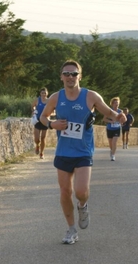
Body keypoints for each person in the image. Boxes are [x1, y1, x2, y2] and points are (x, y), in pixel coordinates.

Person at [39, 60, 126, 245]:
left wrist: (119, 116)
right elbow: (43, 116)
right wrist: (52, 124)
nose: (70, 77)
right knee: (64, 192)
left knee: (81, 191)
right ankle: (71, 230)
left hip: (83, 151)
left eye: (74, 74)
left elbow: (108, 111)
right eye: (67, 74)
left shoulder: (90, 96)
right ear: (61, 76)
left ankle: (82, 205)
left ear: (80, 76)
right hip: (63, 151)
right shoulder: (56, 97)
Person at [31, 87, 49, 159]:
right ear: (40, 94)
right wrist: (33, 111)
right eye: (42, 93)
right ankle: (37, 145)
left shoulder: (49, 101)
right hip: (38, 120)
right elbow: (33, 106)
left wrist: (50, 114)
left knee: (43, 138)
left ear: (47, 93)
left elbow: (53, 110)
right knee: (36, 138)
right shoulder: (37, 100)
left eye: (45, 93)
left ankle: (42, 153)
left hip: (45, 120)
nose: (43, 94)